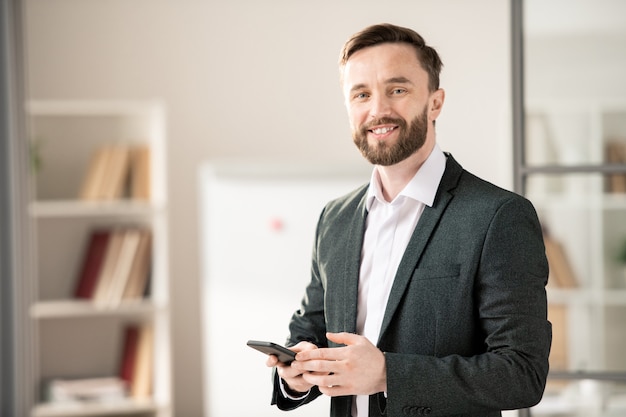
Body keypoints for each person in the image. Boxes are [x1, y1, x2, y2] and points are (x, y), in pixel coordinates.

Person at [264, 23, 551, 417]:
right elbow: (307, 334)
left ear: (435, 102)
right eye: (361, 94)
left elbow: (521, 373)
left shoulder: (498, 216)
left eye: (397, 90)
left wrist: (387, 374)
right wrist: (296, 372)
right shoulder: (335, 219)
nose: (378, 109)